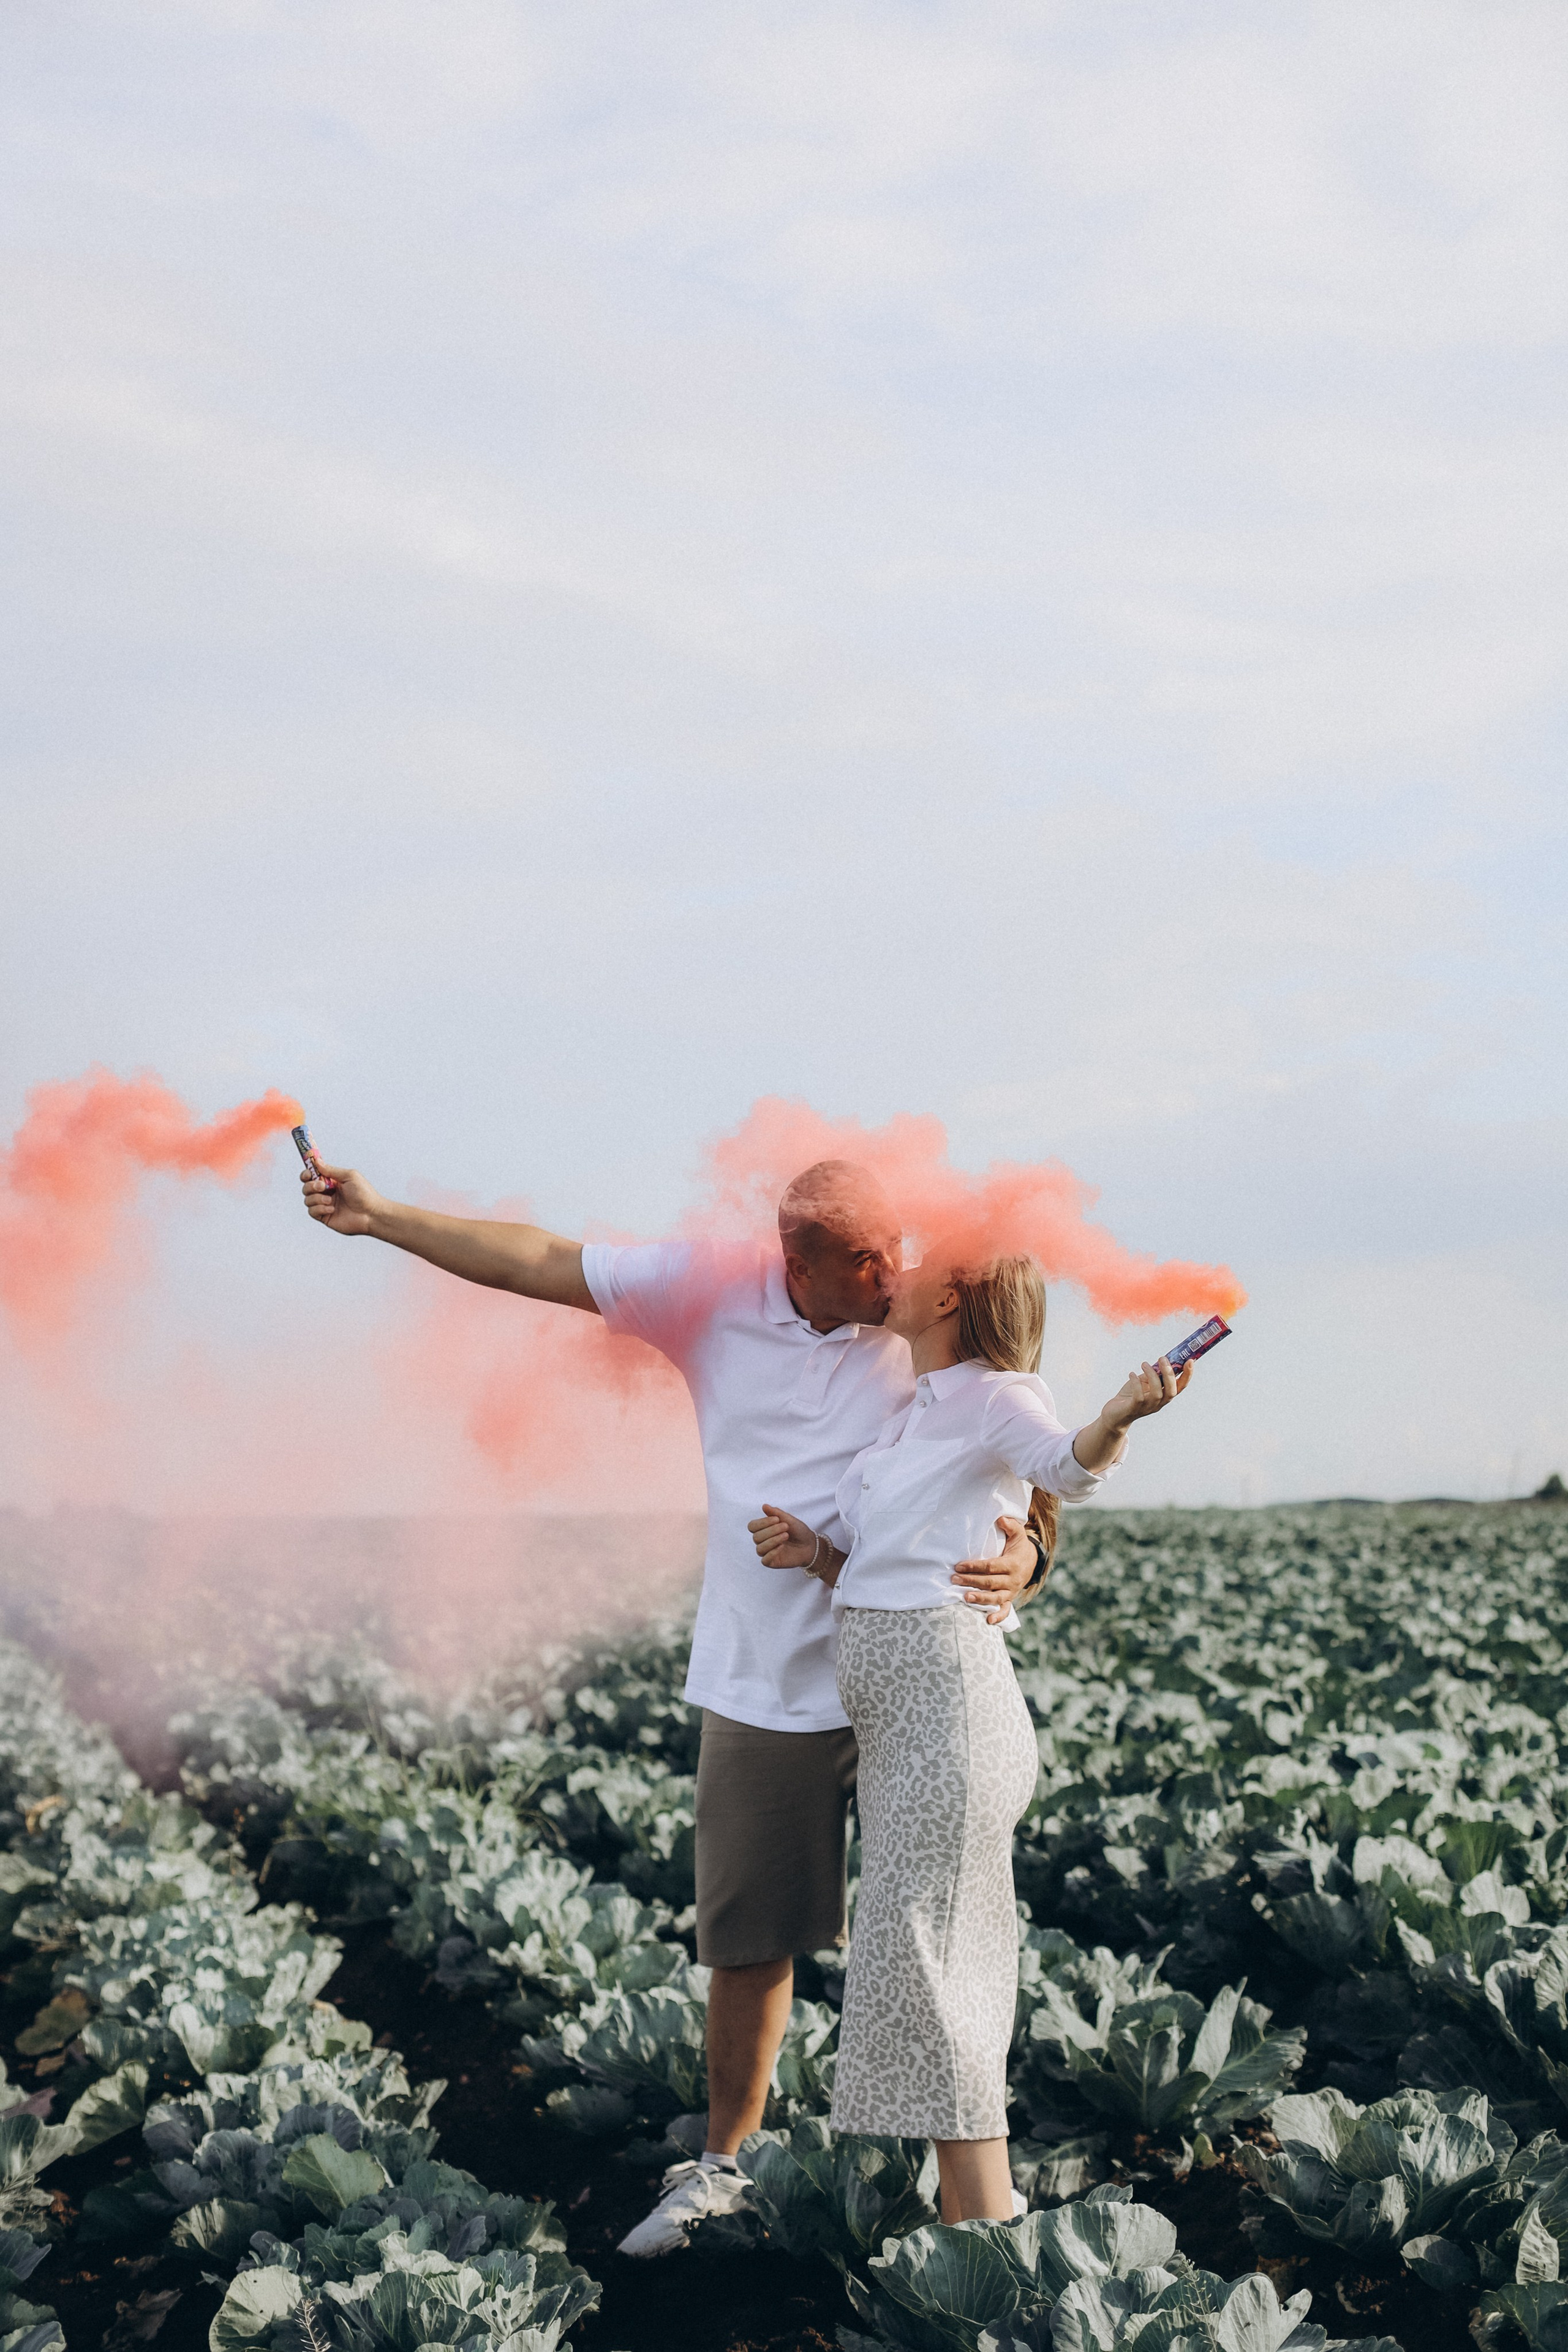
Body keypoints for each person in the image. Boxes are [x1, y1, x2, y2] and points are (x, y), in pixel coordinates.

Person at [299, 1152, 1045, 2252]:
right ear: (793, 1260)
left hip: (922, 1681)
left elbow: (1022, 1414)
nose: (894, 1273)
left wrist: (1034, 1551)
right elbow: (545, 1261)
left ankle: (971, 2219)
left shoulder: (921, 1306)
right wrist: (381, 1217)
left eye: (899, 1248)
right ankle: (725, 2167)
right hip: (765, 1681)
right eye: (863, 1260)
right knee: (748, 1939)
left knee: (934, 1942)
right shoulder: (710, 1292)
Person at [751, 1246, 1193, 2223]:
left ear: (950, 1295)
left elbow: (1061, 1467)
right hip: (908, 1726)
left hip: (949, 1719)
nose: (891, 1277)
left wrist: (1121, 1414)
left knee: (939, 1964)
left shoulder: (1000, 1396)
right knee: (928, 1961)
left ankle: (992, 2237)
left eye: (913, 1268)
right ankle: (973, 2235)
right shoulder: (920, 1405)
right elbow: (900, 1564)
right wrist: (820, 1552)